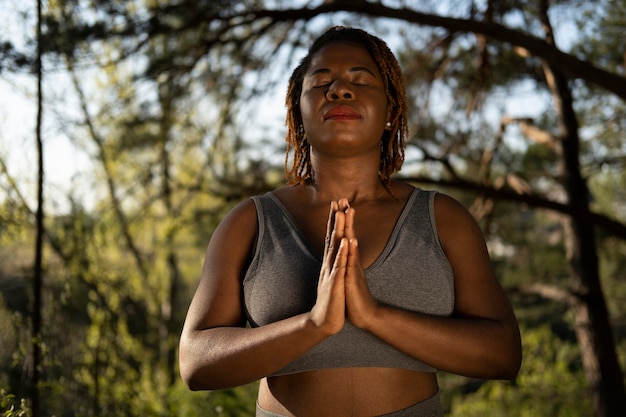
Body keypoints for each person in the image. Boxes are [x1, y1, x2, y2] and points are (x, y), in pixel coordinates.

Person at [179, 26, 522, 416]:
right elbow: (195, 364)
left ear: (391, 111)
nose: (339, 90)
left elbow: (503, 354)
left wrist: (374, 315)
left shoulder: (443, 218)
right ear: (298, 112)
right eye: (321, 82)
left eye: (361, 80)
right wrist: (313, 324)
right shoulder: (249, 222)